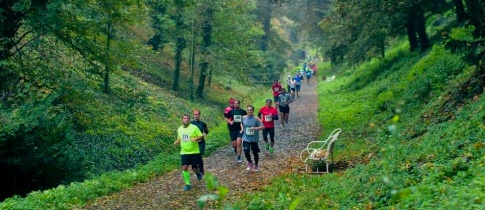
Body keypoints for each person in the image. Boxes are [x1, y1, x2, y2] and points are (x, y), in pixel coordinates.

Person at [174, 114, 204, 191]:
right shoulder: (179, 129)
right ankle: (188, 184)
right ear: (182, 120)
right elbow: (179, 138)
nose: (186, 120)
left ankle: (197, 173)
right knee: (184, 167)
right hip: (184, 152)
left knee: (194, 169)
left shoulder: (194, 127)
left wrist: (196, 138)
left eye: (187, 118)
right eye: (184, 118)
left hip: (194, 152)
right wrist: (177, 141)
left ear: (189, 120)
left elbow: (201, 136)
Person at [241, 105, 264, 171]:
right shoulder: (244, 117)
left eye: (250, 110)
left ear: (253, 111)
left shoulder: (256, 118)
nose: (249, 111)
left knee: (255, 152)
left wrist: (255, 128)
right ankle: (250, 162)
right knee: (246, 151)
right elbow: (241, 123)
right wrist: (242, 129)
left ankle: (256, 165)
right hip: (246, 138)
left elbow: (263, 126)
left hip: (254, 138)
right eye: (248, 110)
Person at [190, 109, 209, 175]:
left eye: (197, 114)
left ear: (199, 115)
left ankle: (201, 169)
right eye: (195, 114)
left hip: (201, 142)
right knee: (195, 156)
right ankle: (197, 167)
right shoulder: (190, 123)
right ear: (193, 115)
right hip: (194, 143)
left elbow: (206, 131)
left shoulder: (203, 123)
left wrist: (204, 134)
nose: (196, 115)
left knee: (199, 154)